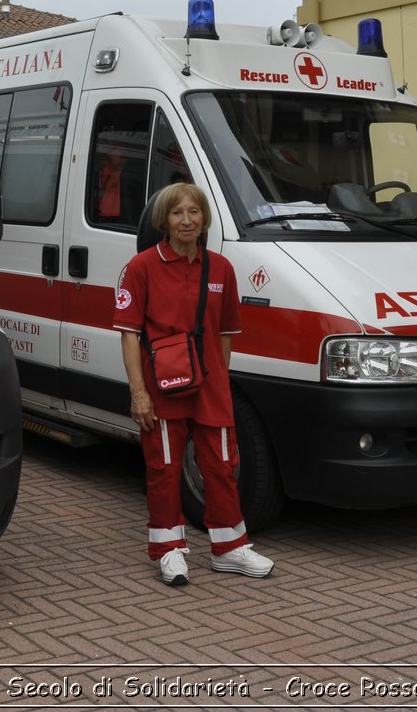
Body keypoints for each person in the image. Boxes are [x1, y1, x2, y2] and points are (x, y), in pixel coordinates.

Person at [113, 182, 274, 587]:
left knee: (221, 466)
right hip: (162, 388)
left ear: (204, 219)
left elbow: (226, 334)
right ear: (163, 222)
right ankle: (169, 551)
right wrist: (138, 394)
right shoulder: (142, 268)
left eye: (194, 212)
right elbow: (129, 334)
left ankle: (230, 549)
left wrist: (217, 380)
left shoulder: (221, 268)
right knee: (164, 468)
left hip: (210, 387)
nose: (187, 221)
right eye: (177, 213)